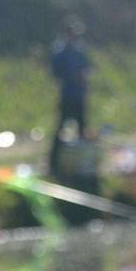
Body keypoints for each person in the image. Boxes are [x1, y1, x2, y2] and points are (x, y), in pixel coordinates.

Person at [49, 20, 90, 173]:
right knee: (61, 128)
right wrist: (72, 76)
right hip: (67, 95)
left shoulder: (79, 51)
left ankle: (82, 163)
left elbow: (86, 70)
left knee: (81, 130)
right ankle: (52, 163)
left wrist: (83, 77)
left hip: (79, 96)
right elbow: (55, 73)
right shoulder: (60, 51)